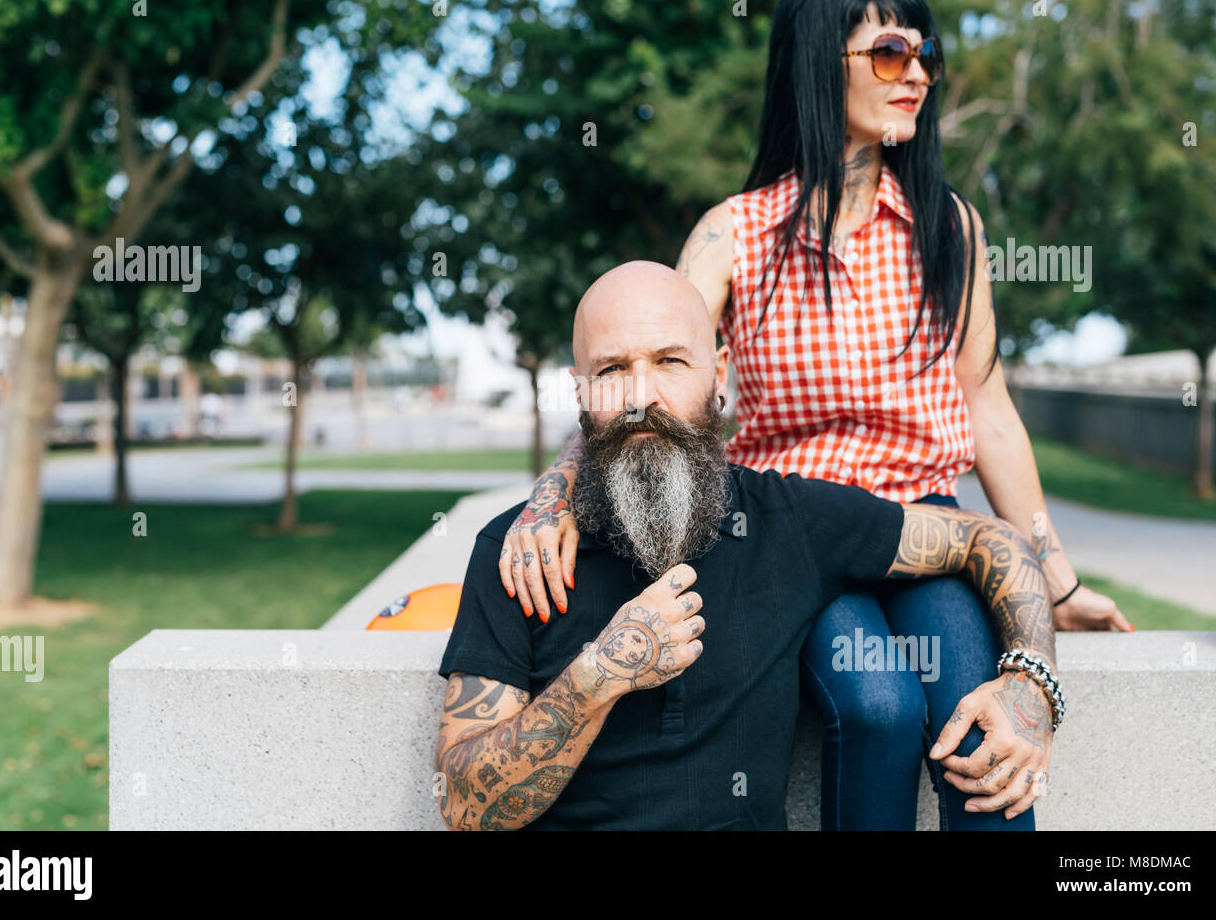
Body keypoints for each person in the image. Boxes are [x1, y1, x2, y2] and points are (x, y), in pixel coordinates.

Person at [496, 0, 1127, 831]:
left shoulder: (952, 227)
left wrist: (1056, 580)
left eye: (926, 54)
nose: (919, 75)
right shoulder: (736, 232)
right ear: (817, 66)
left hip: (927, 527)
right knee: (875, 707)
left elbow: (989, 408)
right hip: (792, 533)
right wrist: (551, 497)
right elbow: (652, 381)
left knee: (979, 730)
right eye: (893, 51)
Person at [435, 267, 1062, 830]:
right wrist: (599, 676)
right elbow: (466, 809)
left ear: (721, 373)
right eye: (612, 369)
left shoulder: (787, 520)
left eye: (671, 362)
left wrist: (1031, 686)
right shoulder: (522, 552)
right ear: (580, 391)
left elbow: (989, 538)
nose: (639, 396)